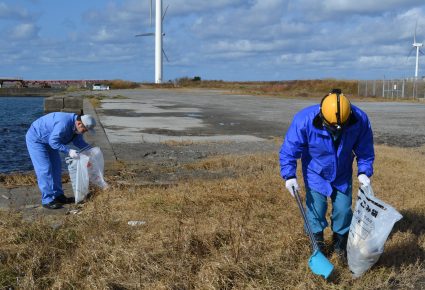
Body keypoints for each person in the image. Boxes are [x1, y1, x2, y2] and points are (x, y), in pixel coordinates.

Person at [279, 88, 374, 258]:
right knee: (317, 208)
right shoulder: (304, 120)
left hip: (342, 172)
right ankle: (318, 247)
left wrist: (364, 171)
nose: (335, 130)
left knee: (343, 210)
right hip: (316, 172)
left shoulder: (360, 120)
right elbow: (289, 150)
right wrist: (289, 175)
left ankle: (340, 246)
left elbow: (365, 149)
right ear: (322, 116)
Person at [26, 112, 96, 209]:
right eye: (85, 130)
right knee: (45, 168)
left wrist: (90, 150)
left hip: (50, 140)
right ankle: (47, 200)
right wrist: (68, 151)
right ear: (79, 123)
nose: (85, 132)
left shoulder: (77, 127)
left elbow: (78, 141)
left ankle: (58, 196)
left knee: (56, 167)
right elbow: (53, 142)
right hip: (36, 139)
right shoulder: (64, 123)